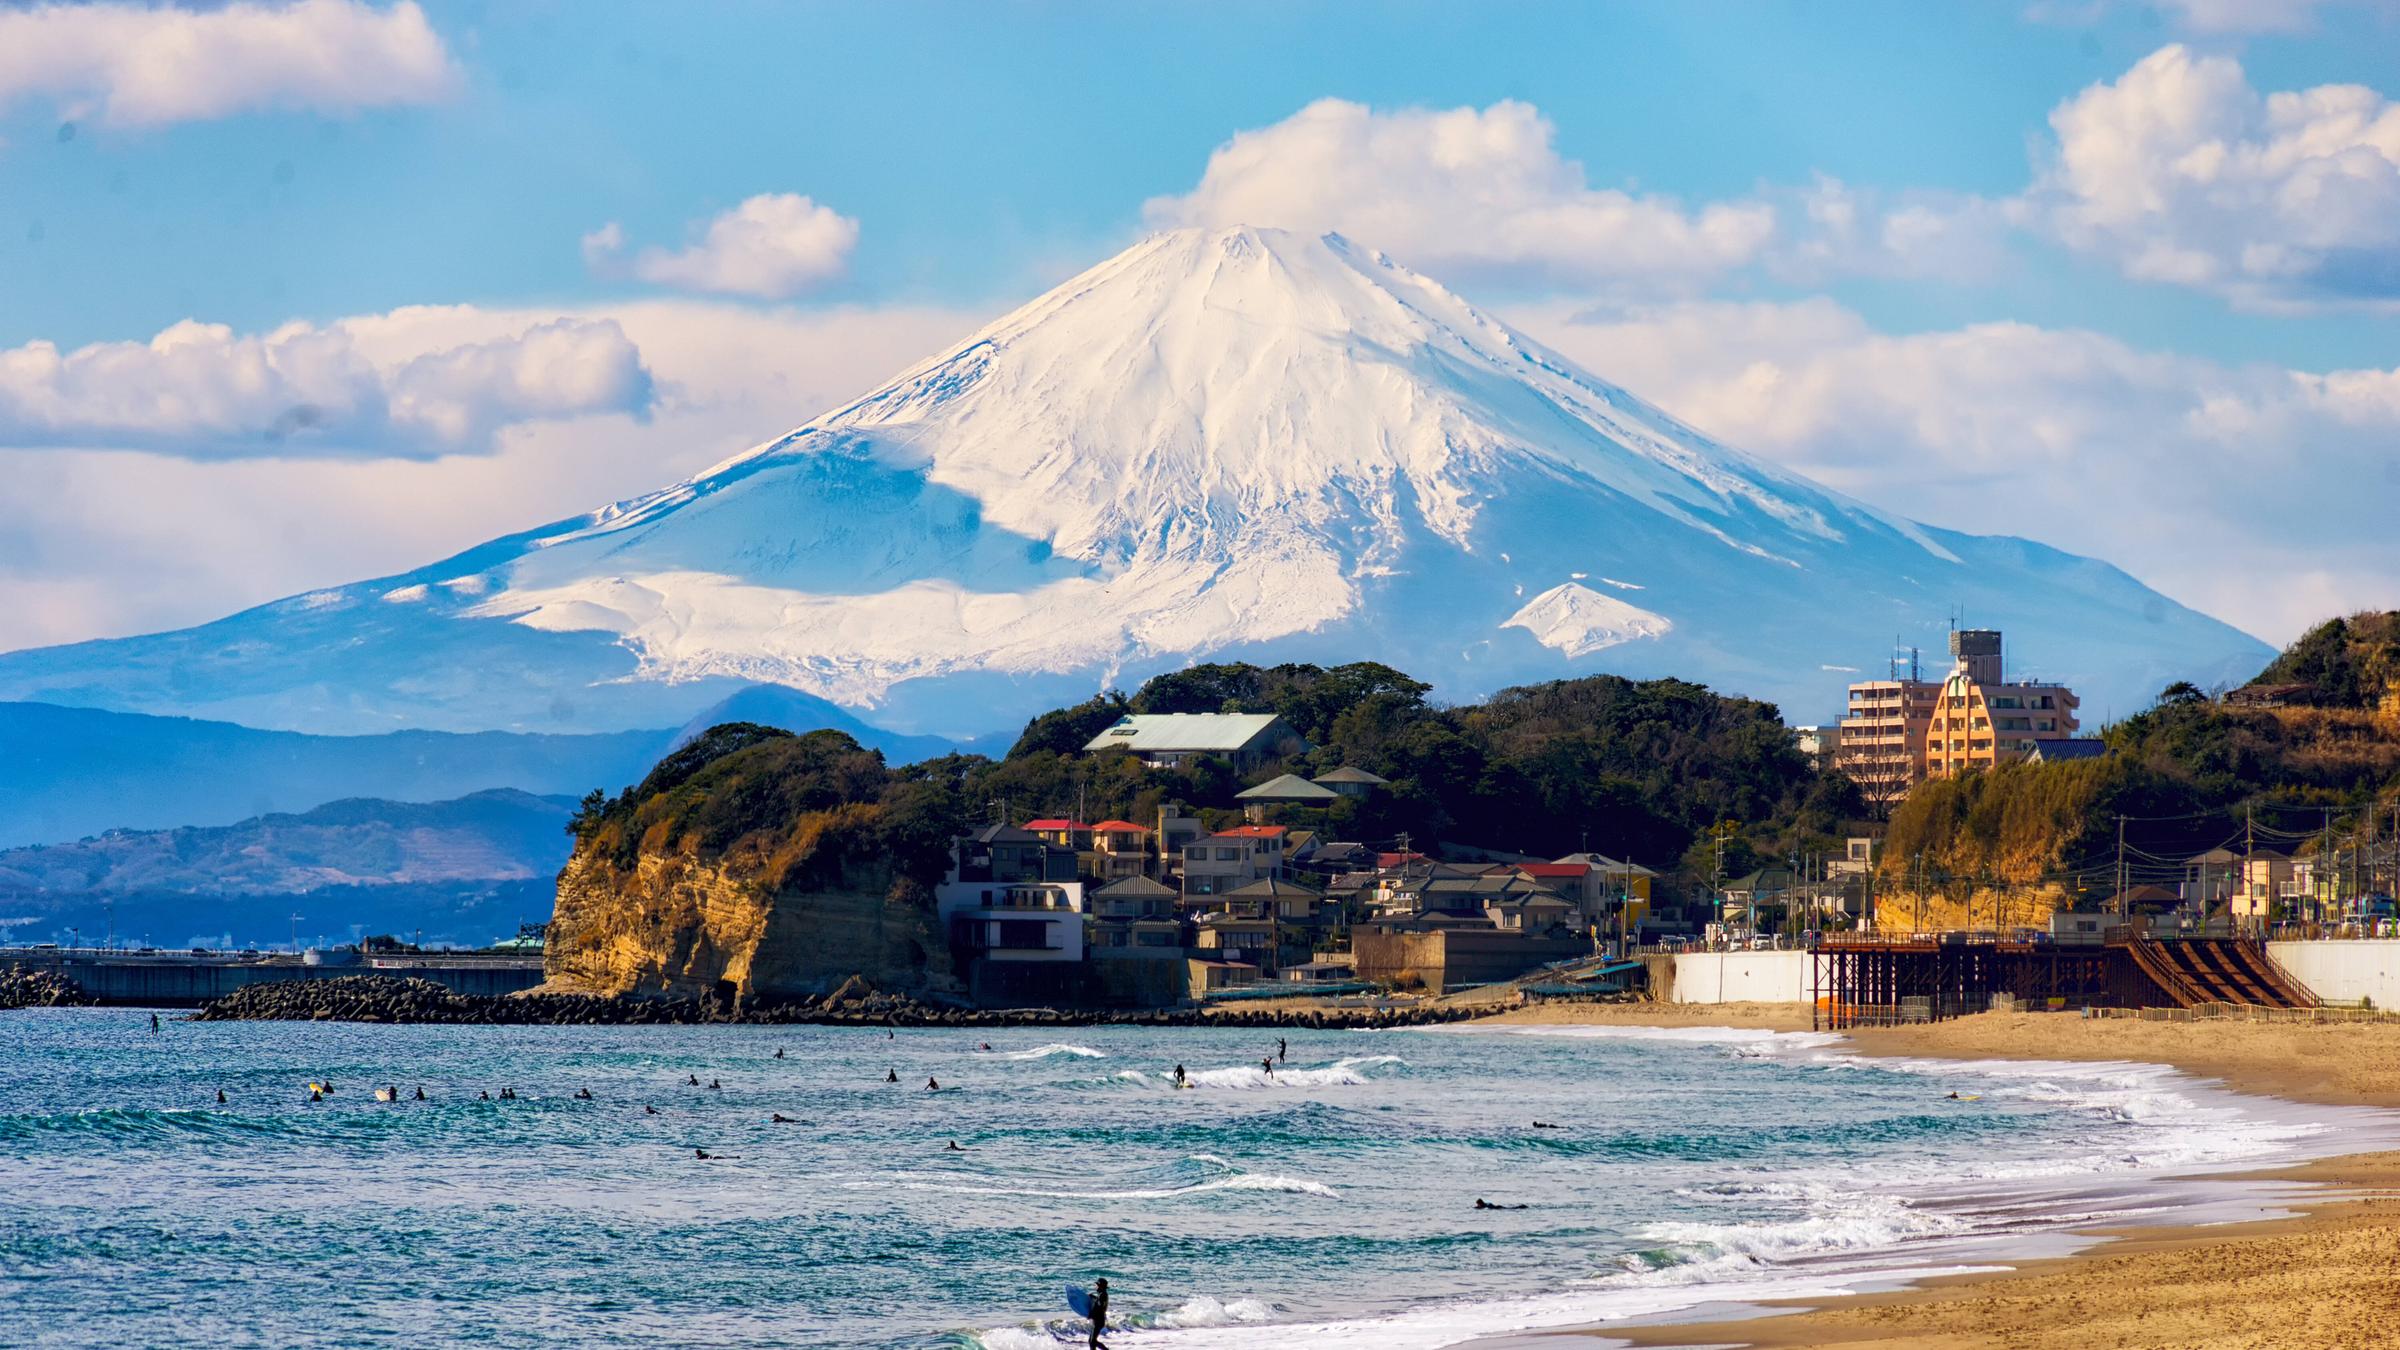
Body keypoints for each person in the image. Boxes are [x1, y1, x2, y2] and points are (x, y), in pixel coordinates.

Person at [1086, 1277, 1110, 1350]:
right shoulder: (1102, 1294)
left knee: (1092, 1341)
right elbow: (1099, 1302)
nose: (1095, 1286)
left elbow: (1099, 1307)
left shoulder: (1102, 1295)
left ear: (1100, 1286)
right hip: (1098, 1320)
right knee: (1091, 1341)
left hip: (1098, 1320)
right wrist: (1093, 1297)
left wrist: (1091, 1314)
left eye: (1096, 1285)